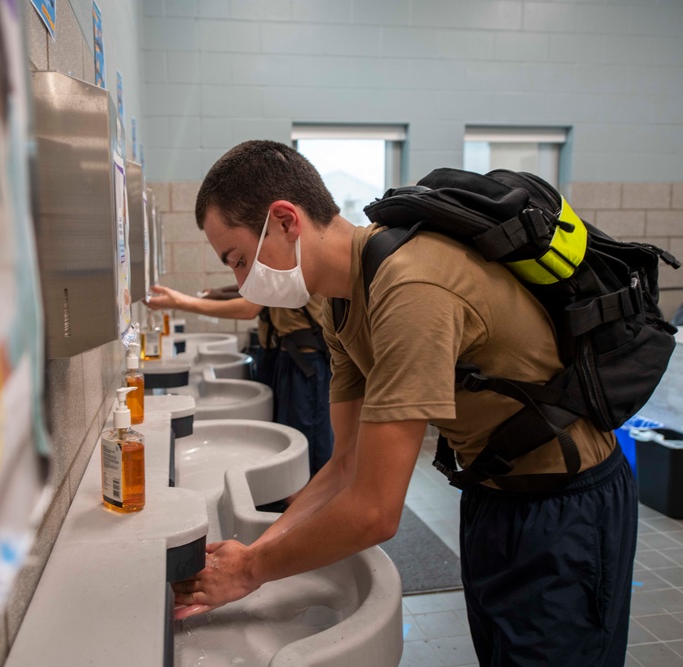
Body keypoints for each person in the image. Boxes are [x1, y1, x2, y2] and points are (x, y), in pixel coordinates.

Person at [171, 140, 636, 666]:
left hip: (565, 504)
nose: (240, 281)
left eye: (238, 260)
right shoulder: (336, 302)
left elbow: (374, 510)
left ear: (284, 220)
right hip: (492, 495)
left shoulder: (411, 287)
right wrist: (255, 552)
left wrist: (252, 571)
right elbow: (345, 464)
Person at [145, 285, 334, 476]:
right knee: (294, 439)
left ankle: (317, 499)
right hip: (288, 357)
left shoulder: (291, 260)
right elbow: (258, 288)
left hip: (305, 363)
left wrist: (180, 302)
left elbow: (248, 308)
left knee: (308, 443)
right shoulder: (277, 268)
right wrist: (220, 293)